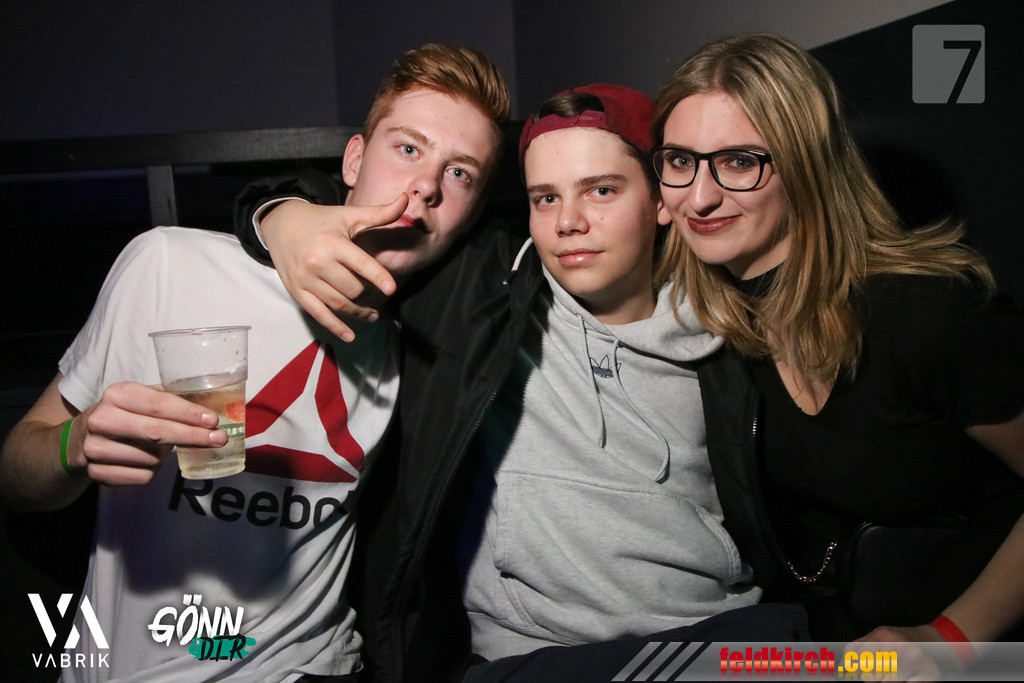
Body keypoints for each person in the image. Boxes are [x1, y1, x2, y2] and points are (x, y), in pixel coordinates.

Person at [235, 84, 808, 683]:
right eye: (545, 198)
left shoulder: (729, 333)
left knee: (860, 663)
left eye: (602, 190)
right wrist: (282, 215)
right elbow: (361, 208)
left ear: (661, 200)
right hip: (531, 663)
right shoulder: (485, 296)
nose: (569, 223)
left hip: (719, 645)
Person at [0, 42, 508, 681]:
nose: (425, 187)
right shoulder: (168, 264)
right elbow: (15, 475)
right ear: (354, 159)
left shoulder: (427, 338)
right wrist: (73, 445)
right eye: (408, 148)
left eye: (459, 173)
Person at [649, 32, 1024, 661]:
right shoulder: (712, 327)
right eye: (680, 160)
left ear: (806, 168)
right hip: (826, 646)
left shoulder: (926, 314)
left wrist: (953, 638)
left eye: (739, 161)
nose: (701, 196)